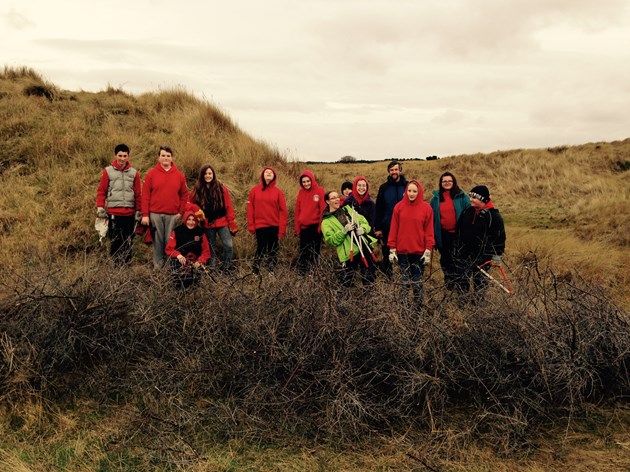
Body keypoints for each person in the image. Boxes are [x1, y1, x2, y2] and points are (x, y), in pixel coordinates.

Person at [454, 185, 506, 304]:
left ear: (483, 199)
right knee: (462, 280)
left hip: (483, 256)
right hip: (464, 254)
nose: (471, 199)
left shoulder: (494, 216)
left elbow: (500, 238)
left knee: (480, 282)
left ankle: (478, 307)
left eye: (474, 197)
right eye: (470, 196)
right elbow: (459, 230)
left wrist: (496, 256)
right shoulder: (467, 211)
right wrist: (457, 248)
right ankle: (462, 305)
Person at [388, 180, 435, 309]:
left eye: (414, 191)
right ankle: (404, 308)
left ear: (419, 192)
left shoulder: (426, 208)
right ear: (405, 191)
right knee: (404, 281)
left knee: (417, 281)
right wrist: (392, 249)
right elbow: (394, 229)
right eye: (409, 191)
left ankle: (418, 308)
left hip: (419, 252)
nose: (412, 194)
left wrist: (428, 250)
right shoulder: (399, 207)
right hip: (402, 252)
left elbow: (429, 231)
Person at [141, 146, 189, 269]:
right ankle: (158, 268)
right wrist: (145, 215)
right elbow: (145, 195)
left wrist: (180, 212)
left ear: (171, 158)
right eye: (163, 155)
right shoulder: (151, 174)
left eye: (168, 156)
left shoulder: (179, 175)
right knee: (158, 241)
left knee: (170, 241)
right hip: (155, 214)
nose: (165, 158)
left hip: (173, 215)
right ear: (159, 158)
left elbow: (184, 195)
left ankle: (169, 268)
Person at [96, 144, 142, 265]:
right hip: (114, 213)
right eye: (120, 155)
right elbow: (101, 191)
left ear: (128, 156)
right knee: (115, 241)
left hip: (129, 214)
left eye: (125, 156)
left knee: (128, 241)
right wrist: (100, 207)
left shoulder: (134, 173)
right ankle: (115, 269)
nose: (122, 158)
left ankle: (126, 267)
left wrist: (138, 210)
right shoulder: (107, 171)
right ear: (115, 155)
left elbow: (138, 193)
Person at [321, 190, 377, 287]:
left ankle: (370, 299)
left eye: (337, 197)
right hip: (349, 253)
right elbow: (331, 240)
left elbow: (364, 222)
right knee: (348, 282)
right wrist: (343, 231)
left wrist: (363, 229)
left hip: (363, 245)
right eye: (333, 198)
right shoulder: (326, 222)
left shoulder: (348, 209)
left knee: (369, 277)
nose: (336, 199)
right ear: (327, 201)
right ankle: (348, 301)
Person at [189, 164, 238, 272]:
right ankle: (212, 269)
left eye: (210, 173)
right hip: (207, 224)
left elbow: (228, 206)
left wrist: (231, 222)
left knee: (228, 246)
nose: (208, 176)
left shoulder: (221, 188)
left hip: (222, 222)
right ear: (202, 175)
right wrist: (197, 209)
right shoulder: (197, 189)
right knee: (211, 248)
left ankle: (227, 267)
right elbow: (189, 203)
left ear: (213, 174)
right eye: (205, 173)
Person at [429, 172, 471, 289]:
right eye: (444, 181)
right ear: (441, 183)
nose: (447, 183)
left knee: (460, 262)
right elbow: (431, 219)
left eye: (449, 181)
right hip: (443, 235)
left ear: (453, 182)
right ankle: (450, 286)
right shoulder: (435, 199)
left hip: (459, 235)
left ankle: (462, 288)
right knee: (446, 261)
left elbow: (470, 212)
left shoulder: (462, 196)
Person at [247, 166, 288, 275]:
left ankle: (271, 271)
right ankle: (255, 271)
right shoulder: (254, 190)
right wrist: (251, 225)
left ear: (274, 176)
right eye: (266, 172)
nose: (269, 173)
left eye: (271, 172)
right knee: (261, 247)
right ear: (262, 175)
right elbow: (250, 209)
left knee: (273, 249)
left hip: (274, 225)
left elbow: (283, 211)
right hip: (260, 225)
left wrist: (281, 229)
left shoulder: (278, 192)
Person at [374, 160, 407, 278]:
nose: (394, 172)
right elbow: (379, 208)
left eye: (396, 169)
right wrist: (378, 228)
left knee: (404, 251)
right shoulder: (383, 188)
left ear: (400, 171)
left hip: (405, 226)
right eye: (392, 170)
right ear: (389, 172)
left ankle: (404, 274)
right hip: (388, 225)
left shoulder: (407, 186)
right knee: (387, 251)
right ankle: (389, 276)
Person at [165, 210, 211, 289]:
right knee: (178, 273)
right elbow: (169, 249)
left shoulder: (200, 232)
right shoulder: (177, 231)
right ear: (185, 220)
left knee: (196, 276)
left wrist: (200, 261)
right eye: (189, 219)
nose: (191, 222)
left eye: (193, 220)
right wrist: (178, 255)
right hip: (180, 260)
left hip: (196, 260)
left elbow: (206, 252)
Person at [294, 170, 326, 274]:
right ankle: (302, 273)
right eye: (304, 182)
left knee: (315, 251)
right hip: (304, 227)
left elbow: (323, 210)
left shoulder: (319, 191)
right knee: (304, 251)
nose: (306, 184)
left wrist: (321, 226)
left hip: (315, 226)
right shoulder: (301, 192)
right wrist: (297, 226)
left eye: (308, 181)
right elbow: (297, 210)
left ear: (312, 180)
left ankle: (315, 273)